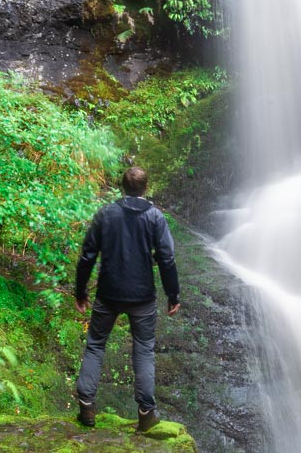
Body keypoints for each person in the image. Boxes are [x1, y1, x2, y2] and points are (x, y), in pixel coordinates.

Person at [74, 166, 180, 432]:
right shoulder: (155, 217)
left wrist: (81, 291)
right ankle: (146, 414)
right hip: (142, 296)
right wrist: (172, 294)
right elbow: (166, 257)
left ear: (122, 187)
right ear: (146, 188)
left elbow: (88, 255)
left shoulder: (106, 215)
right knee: (143, 350)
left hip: (108, 293)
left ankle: (86, 406)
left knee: (96, 345)